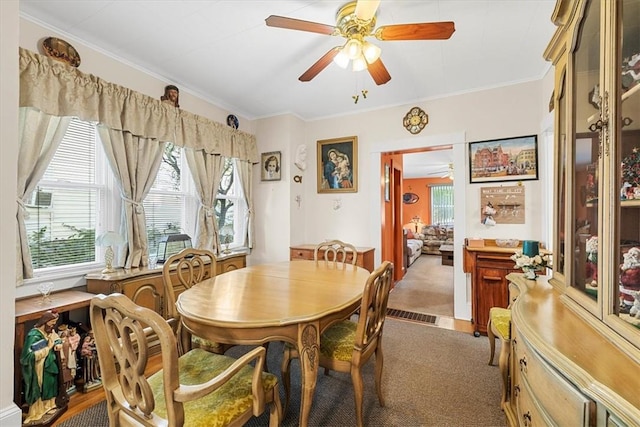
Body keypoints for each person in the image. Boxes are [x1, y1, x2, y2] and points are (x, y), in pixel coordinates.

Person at [20, 310, 63, 424]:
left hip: (49, 364)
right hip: (38, 367)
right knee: (41, 386)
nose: (53, 325)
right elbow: (27, 357)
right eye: (52, 323)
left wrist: (58, 343)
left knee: (51, 383)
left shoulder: (49, 331)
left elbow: (55, 337)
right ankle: (37, 410)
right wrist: (48, 348)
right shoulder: (33, 335)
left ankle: (49, 406)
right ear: (45, 321)